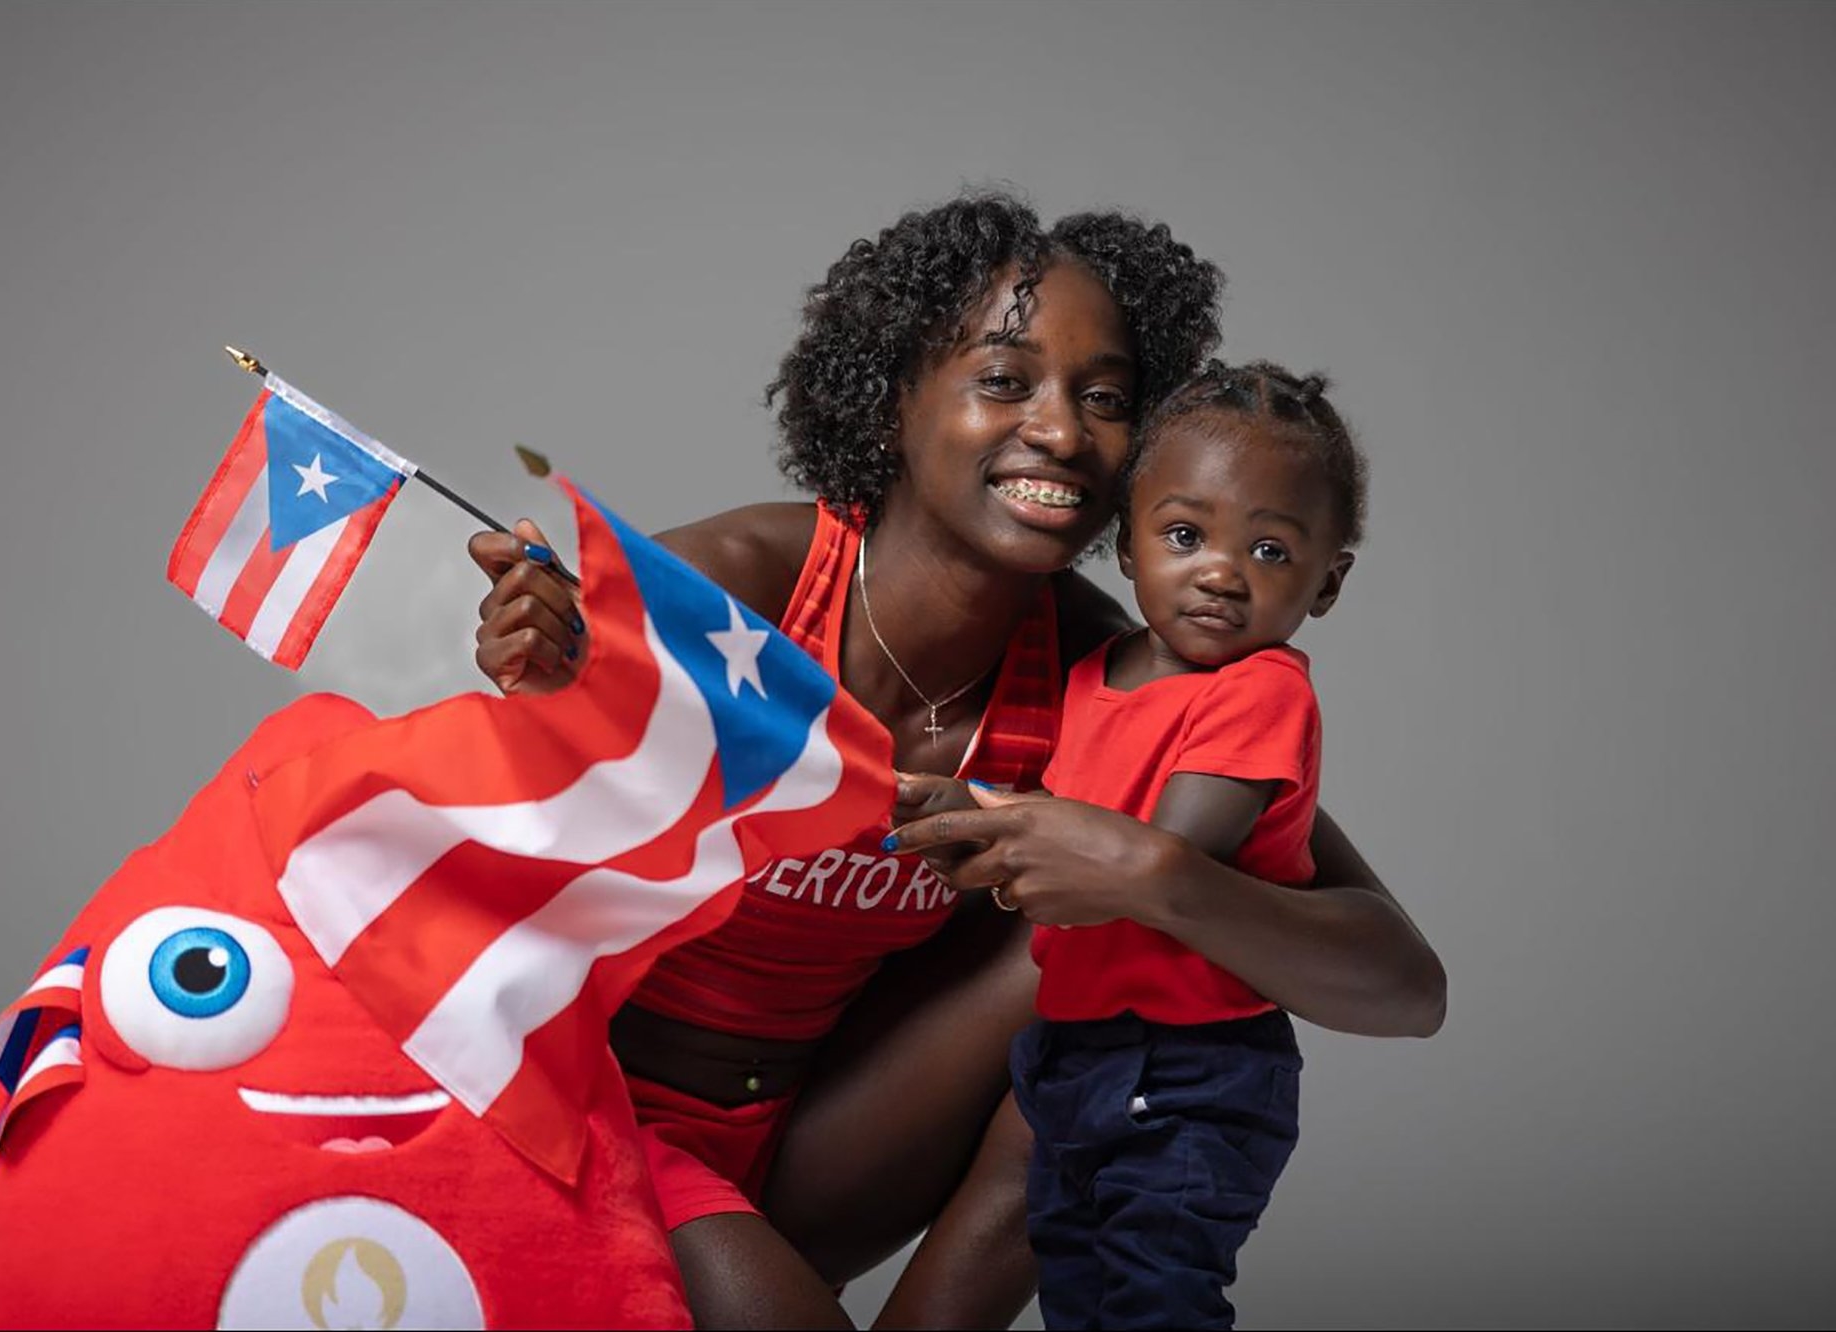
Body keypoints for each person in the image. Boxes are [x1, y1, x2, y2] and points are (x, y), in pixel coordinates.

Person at [470, 194, 1445, 1328]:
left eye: (1107, 399)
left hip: (821, 1146)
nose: (1066, 433)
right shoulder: (746, 582)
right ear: (894, 399)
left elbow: (1405, 989)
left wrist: (1151, 874)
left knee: (1101, 952)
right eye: (1004, 380)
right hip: (597, 1123)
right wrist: (540, 665)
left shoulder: (1120, 670)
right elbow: (464, 825)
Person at [912, 360, 1366, 1329]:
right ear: (1127, 546)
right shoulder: (1091, 678)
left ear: (1328, 580)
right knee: (1080, 1287)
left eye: (1272, 552)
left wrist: (1014, 841)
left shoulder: (1263, 690)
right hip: (1075, 1052)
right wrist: (961, 812)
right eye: (1186, 535)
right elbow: (1053, 823)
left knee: (1158, 1296)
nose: (1220, 571)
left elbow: (1158, 856)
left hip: (1193, 1065)